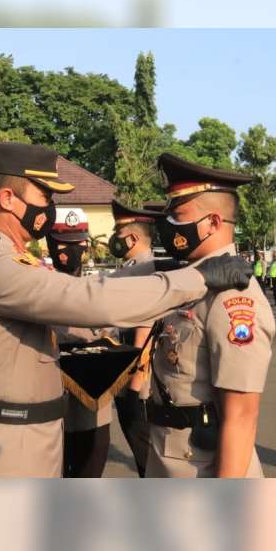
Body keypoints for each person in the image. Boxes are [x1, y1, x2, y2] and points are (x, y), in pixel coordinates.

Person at [0, 142, 252, 478]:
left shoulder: (12, 259)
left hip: (26, 435)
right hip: (6, 447)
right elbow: (89, 299)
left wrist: (160, 267)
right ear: (7, 199)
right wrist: (195, 277)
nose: (49, 207)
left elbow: (104, 282)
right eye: (44, 197)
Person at [142, 152, 274, 478]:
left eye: (179, 215)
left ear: (213, 222)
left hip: (200, 464)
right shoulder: (192, 280)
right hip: (167, 453)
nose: (168, 224)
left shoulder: (232, 297)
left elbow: (241, 415)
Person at [46, 207, 113, 478]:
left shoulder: (100, 289)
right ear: (50, 244)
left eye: (77, 243)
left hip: (92, 408)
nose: (71, 250)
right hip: (51, 407)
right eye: (63, 243)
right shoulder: (36, 289)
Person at [107, 198, 166, 478]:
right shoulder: (134, 266)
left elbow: (145, 327)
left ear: (131, 237)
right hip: (126, 369)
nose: (113, 240)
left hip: (137, 378)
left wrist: (134, 384)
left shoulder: (145, 270)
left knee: (144, 448)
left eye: (117, 234)